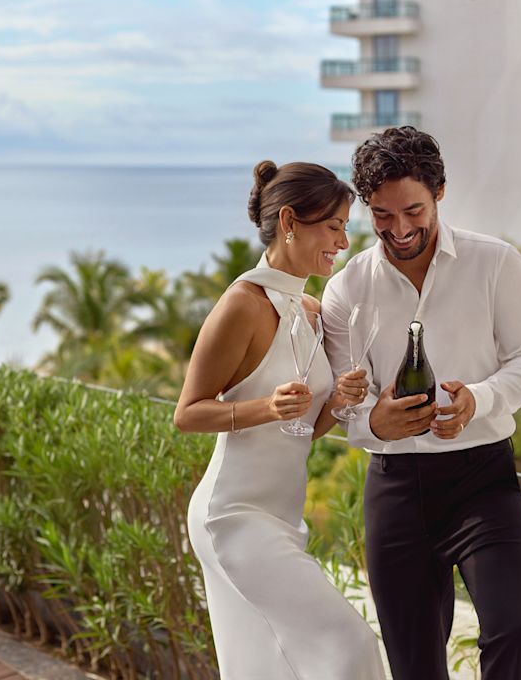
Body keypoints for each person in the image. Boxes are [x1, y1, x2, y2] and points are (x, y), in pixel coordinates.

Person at [321, 126, 521, 680]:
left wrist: (481, 399)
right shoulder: (347, 288)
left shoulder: (495, 263)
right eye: (382, 215)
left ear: (440, 192)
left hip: (484, 484)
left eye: (413, 211)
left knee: (512, 632)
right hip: (396, 490)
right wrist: (373, 421)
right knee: (414, 665)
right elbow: (344, 397)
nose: (399, 229)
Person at [175, 160, 385, 679]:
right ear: (290, 221)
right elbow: (188, 413)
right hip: (233, 515)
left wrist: (338, 402)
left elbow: (303, 432)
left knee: (270, 669)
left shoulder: (308, 310)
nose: (342, 242)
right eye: (333, 226)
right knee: (350, 644)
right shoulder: (242, 304)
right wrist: (265, 407)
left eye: (345, 228)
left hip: (282, 517)